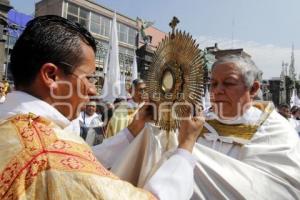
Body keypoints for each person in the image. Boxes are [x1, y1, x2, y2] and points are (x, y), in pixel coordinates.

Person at [0, 15, 204, 200]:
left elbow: (86, 158)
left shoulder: (10, 126)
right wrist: (185, 148)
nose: (92, 91)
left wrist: (132, 131)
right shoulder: (49, 154)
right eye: (88, 78)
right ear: (52, 76)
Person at [106, 55, 300, 199]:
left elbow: (276, 191)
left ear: (254, 89)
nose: (217, 91)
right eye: (213, 83)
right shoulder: (198, 123)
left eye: (228, 83)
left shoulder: (277, 132)